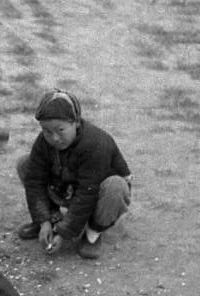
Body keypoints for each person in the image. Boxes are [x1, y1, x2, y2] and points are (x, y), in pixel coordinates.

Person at [16, 89, 132, 259]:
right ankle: (52, 220)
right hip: (69, 187)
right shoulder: (43, 143)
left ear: (76, 122)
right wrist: (43, 220)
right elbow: (35, 182)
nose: (53, 137)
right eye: (47, 131)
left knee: (116, 186)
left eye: (60, 130)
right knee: (26, 165)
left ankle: (92, 234)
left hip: (98, 195)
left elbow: (87, 193)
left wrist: (64, 233)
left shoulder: (96, 144)